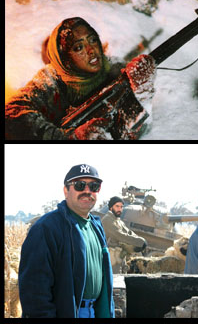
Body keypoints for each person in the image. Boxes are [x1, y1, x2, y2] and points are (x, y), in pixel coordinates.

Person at [5, 17, 156, 140]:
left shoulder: (115, 69)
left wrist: (142, 92)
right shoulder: (50, 81)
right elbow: (11, 115)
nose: (91, 50)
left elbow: (137, 131)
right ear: (64, 59)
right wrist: (69, 138)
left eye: (92, 40)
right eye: (79, 47)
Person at [19, 164, 114, 318]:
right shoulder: (46, 228)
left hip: (95, 311)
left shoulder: (96, 226)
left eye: (94, 186)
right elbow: (34, 290)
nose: (87, 191)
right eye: (79, 185)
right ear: (66, 190)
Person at [101, 196, 147, 273]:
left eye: (121, 207)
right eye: (117, 206)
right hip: (110, 259)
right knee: (114, 281)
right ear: (111, 207)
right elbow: (119, 235)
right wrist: (139, 242)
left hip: (119, 258)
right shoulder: (108, 219)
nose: (120, 209)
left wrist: (140, 240)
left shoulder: (118, 220)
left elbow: (128, 232)